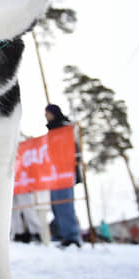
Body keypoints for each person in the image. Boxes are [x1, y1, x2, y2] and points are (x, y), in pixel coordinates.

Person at [45, 103, 82, 248]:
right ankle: (62, 235)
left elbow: (75, 146)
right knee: (56, 205)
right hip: (53, 174)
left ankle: (72, 236)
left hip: (65, 172)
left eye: (47, 113)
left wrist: (75, 161)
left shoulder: (67, 127)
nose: (45, 116)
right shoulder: (50, 131)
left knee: (65, 204)